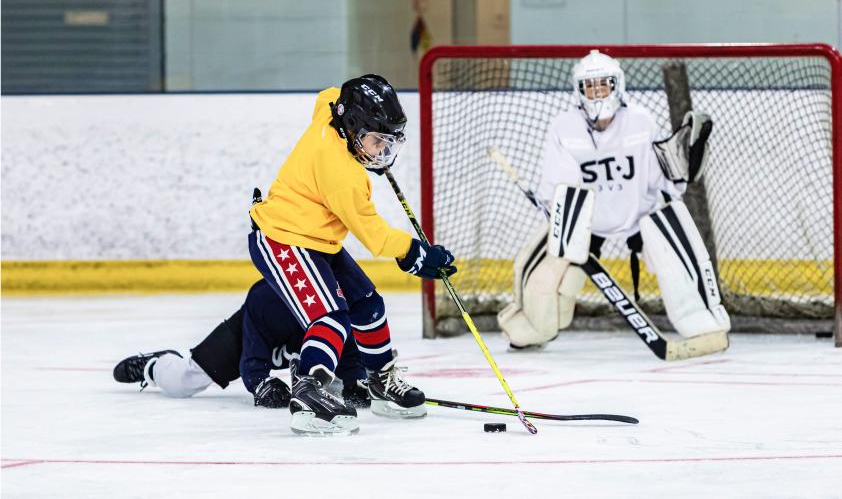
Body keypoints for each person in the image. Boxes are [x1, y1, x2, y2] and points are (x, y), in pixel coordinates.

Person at [248, 74, 457, 435]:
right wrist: (416, 253)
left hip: (318, 240)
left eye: (388, 142)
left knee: (368, 305)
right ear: (353, 126)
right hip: (282, 239)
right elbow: (374, 235)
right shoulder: (342, 174)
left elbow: (327, 95)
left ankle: (379, 381)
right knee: (331, 318)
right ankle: (309, 392)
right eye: (377, 141)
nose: (381, 152)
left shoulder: (332, 113)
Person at [497, 50, 731, 351]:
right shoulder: (563, 128)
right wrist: (560, 217)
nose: (597, 93)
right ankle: (533, 329)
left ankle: (705, 325)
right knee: (546, 280)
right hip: (587, 224)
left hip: (639, 215)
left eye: (603, 85)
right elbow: (561, 187)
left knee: (679, 260)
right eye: (590, 86)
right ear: (579, 90)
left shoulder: (640, 121)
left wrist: (679, 169)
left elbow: (659, 179)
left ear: (616, 86)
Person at [112, 279, 371, 409]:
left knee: (334, 390)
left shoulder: (339, 301)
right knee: (184, 380)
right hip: (251, 334)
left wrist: (355, 381)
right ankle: (157, 365)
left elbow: (349, 353)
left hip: (298, 343)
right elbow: (252, 358)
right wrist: (260, 382)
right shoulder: (267, 299)